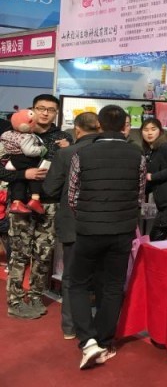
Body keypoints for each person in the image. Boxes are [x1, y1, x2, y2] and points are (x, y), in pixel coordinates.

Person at [67, 104, 145, 369]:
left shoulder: (82, 153)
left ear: (99, 125)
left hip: (89, 230)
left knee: (78, 283)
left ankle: (88, 341)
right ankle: (103, 340)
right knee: (113, 285)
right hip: (122, 230)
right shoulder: (137, 154)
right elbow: (139, 195)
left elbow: (72, 196)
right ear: (125, 126)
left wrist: (87, 217)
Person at [6, 94, 72, 320]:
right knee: (19, 254)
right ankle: (15, 300)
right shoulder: (15, 133)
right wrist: (24, 174)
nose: (45, 113)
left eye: (50, 110)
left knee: (44, 255)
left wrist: (69, 150)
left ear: (56, 113)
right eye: (41, 108)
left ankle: (36, 295)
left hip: (50, 204)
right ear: (32, 109)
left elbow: (71, 172)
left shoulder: (63, 138)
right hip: (21, 203)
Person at [41, 112, 100, 340]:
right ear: (99, 127)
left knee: (72, 277)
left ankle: (70, 326)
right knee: (104, 277)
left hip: (73, 222)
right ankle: (101, 326)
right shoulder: (112, 152)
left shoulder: (66, 153)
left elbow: (50, 189)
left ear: (77, 129)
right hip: (105, 223)